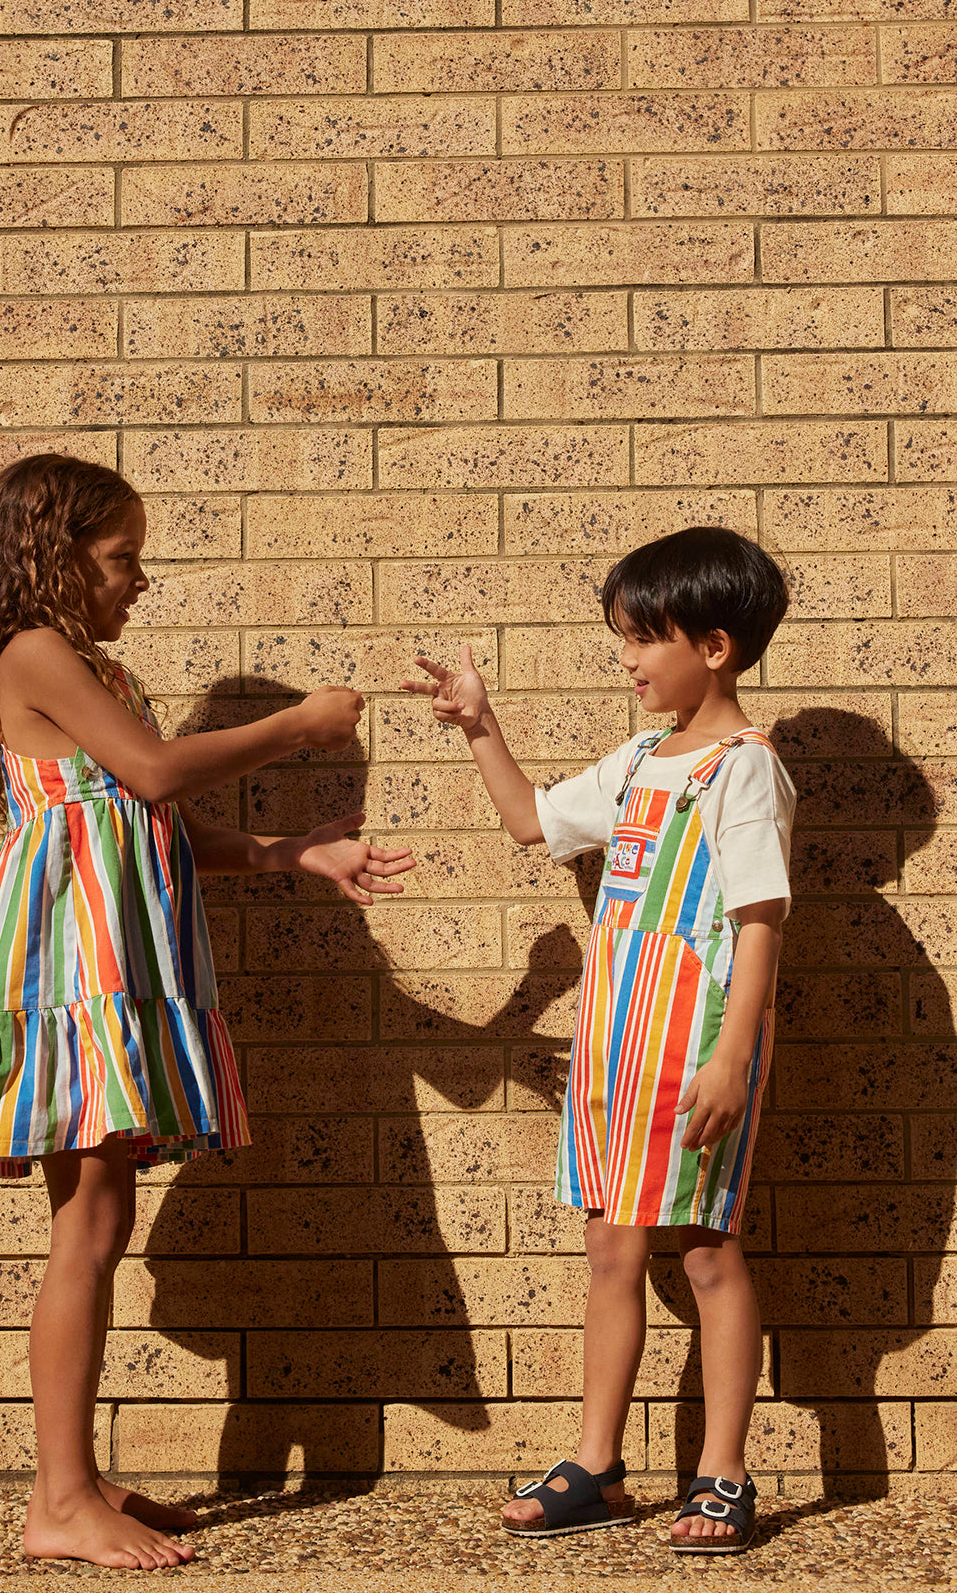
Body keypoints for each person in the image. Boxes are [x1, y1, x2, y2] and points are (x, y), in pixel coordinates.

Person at [0, 453, 414, 1572]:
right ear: (55, 555)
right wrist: (295, 726)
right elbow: (149, 776)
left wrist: (294, 854)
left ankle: (76, 1479)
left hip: (116, 957)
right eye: (122, 558)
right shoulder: (33, 652)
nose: (141, 580)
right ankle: (58, 1499)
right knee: (86, 1226)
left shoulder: (94, 669)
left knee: (97, 1218)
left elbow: (150, 831)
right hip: (73, 966)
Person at [402, 526, 794, 1556]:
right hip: (613, 1043)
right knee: (610, 1247)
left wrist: (728, 1057)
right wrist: (478, 724)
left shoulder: (742, 771)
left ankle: (722, 1474)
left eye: (642, 638)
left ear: (711, 646)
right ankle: (595, 1463)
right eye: (622, 636)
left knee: (706, 1252)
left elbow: (758, 921)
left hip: (694, 1043)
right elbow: (532, 824)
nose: (627, 658)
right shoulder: (638, 758)